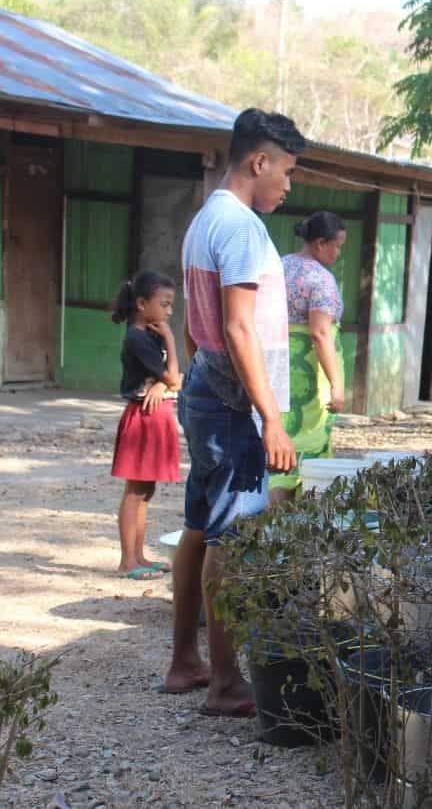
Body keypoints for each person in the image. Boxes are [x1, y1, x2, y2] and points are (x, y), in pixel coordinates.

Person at [162, 108, 305, 716]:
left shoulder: (205, 218)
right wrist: (269, 416)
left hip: (207, 391)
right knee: (233, 538)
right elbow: (238, 326)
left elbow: (201, 328)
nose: (288, 185)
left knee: (200, 525)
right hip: (233, 407)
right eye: (287, 172)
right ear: (259, 162)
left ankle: (185, 661)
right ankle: (225, 681)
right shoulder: (241, 226)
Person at [269, 211, 347, 504]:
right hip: (308, 377)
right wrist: (336, 384)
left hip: (277, 367)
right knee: (305, 450)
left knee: (279, 448)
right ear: (319, 243)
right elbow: (320, 334)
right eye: (336, 245)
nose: (338, 253)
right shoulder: (320, 280)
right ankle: (284, 529)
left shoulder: (280, 266)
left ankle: (267, 531)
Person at [109, 271, 182, 580]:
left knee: (146, 491)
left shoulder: (147, 334)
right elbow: (175, 378)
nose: (168, 312)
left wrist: (163, 386)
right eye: (164, 304)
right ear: (141, 303)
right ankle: (128, 561)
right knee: (135, 491)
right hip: (143, 418)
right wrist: (170, 339)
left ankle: (138, 555)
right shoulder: (139, 337)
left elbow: (169, 383)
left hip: (154, 414)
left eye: (170, 306)